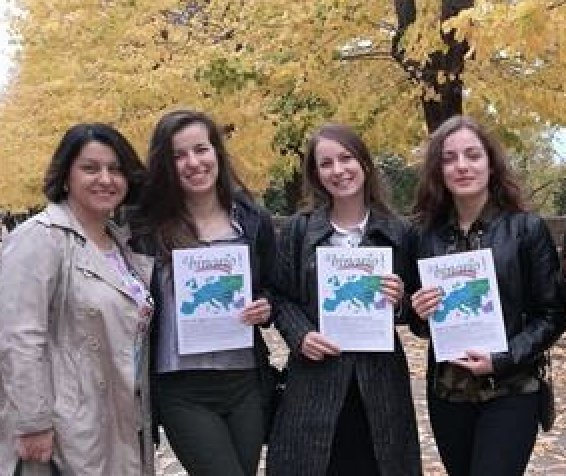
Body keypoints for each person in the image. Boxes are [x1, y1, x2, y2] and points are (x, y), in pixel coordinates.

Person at [408, 115, 565, 476]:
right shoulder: (424, 235)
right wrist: (418, 311)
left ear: (491, 164)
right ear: (438, 171)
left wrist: (503, 358)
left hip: (512, 389)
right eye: (449, 158)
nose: (462, 166)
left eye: (473, 155)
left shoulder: (526, 229)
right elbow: (418, 324)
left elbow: (552, 314)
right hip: (448, 393)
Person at [266, 123, 422, 476]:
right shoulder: (299, 230)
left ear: (364, 163)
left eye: (346, 158)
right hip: (314, 380)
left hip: (380, 382)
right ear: (316, 174)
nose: (338, 170)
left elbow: (418, 312)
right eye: (326, 163)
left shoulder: (399, 232)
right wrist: (301, 335)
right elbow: (279, 296)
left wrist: (401, 300)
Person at [0, 123, 155, 475]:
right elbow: (19, 337)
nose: (106, 179)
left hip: (119, 417)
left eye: (115, 169)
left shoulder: (121, 245)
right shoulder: (40, 238)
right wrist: (33, 422)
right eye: (90, 168)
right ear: (66, 176)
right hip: (64, 429)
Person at [130, 109, 277, 476]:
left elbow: (273, 288)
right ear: (165, 165)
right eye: (178, 155)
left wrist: (266, 306)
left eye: (201, 149)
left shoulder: (252, 220)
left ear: (217, 152)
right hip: (182, 388)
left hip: (245, 381)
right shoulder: (146, 228)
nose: (193, 162)